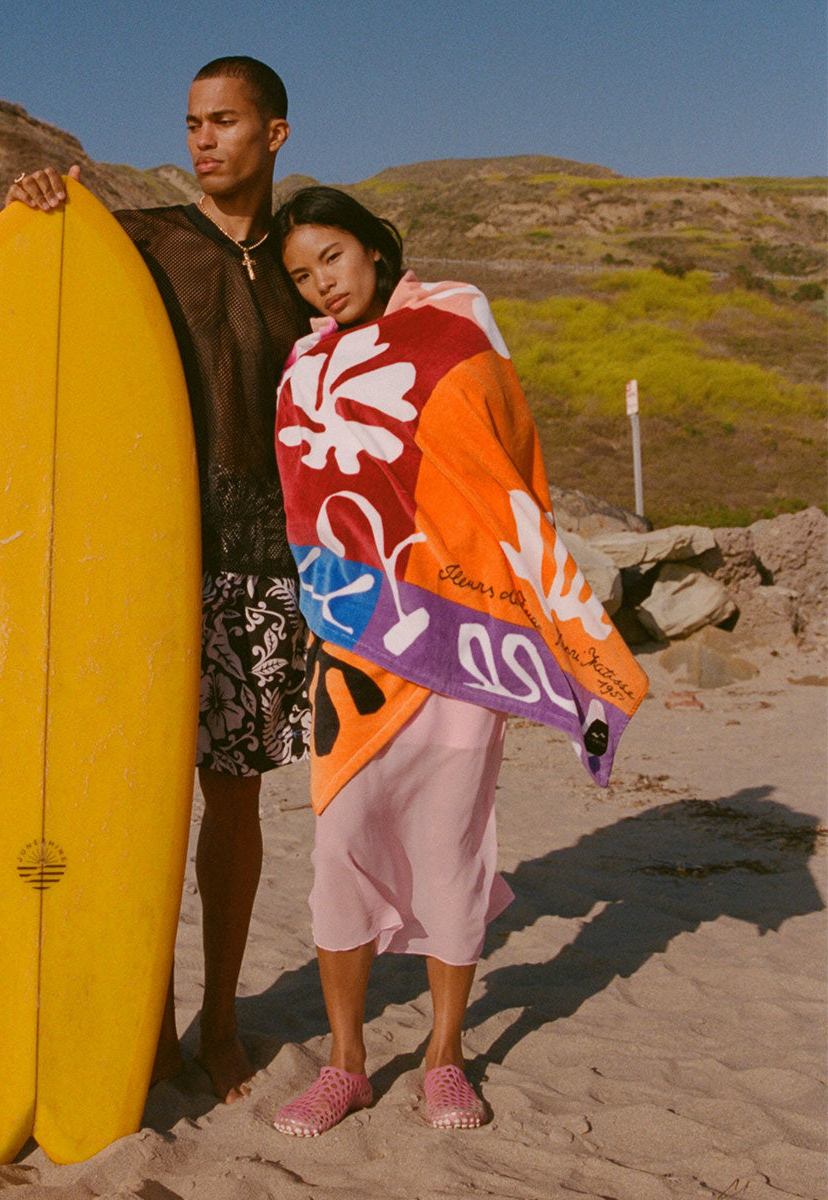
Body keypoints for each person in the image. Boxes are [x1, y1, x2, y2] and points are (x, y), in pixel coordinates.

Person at [268, 187, 647, 1135]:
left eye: (332, 259)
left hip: (456, 627)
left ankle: (445, 1056)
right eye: (302, 276)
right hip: (358, 634)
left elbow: (500, 459)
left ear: (373, 248)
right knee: (341, 844)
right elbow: (309, 493)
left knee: (451, 844)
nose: (322, 285)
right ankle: (346, 1065)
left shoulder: (454, 323)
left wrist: (511, 595)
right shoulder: (305, 364)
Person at [4, 57, 311, 1103]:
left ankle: (219, 1022)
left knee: (235, 801)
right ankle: (143, 1020)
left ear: (274, 132)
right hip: (146, 555)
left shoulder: (305, 261)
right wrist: (38, 205)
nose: (203, 141)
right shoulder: (139, 239)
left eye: (223, 121)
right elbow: (37, 298)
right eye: (191, 123)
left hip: (263, 563)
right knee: (129, 799)